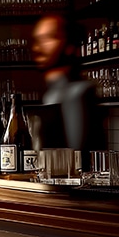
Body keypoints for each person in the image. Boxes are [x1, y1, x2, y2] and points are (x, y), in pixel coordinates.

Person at [30, 14, 106, 156]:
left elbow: (76, 156)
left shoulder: (76, 92)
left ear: (69, 46)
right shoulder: (52, 93)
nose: (37, 47)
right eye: (37, 39)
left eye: (49, 38)